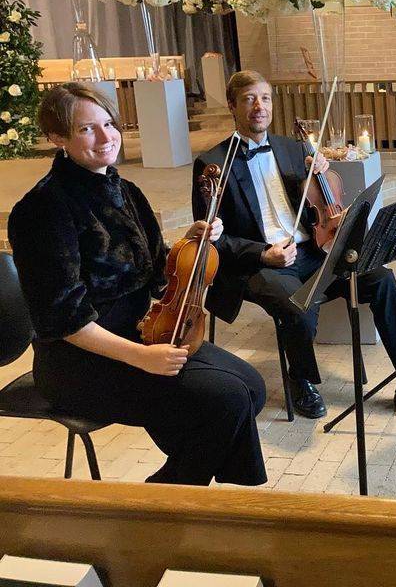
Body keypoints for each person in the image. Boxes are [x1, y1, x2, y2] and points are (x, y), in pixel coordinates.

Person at [8, 83, 267, 486]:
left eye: (109, 124)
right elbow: (65, 319)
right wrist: (141, 357)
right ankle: (173, 506)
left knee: (251, 386)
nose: (106, 137)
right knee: (226, 400)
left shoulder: (125, 190)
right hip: (78, 362)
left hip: (144, 333)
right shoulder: (41, 210)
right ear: (57, 138)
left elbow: (156, 269)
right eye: (86, 129)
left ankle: (174, 491)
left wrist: (192, 243)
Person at [194, 70, 396, 421]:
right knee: (296, 305)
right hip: (262, 264)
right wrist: (262, 253)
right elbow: (214, 237)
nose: (259, 106)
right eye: (249, 99)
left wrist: (323, 170)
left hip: (313, 251)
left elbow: (321, 197)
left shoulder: (292, 147)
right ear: (233, 105)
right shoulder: (213, 163)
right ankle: (301, 379)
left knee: (381, 279)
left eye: (265, 98)